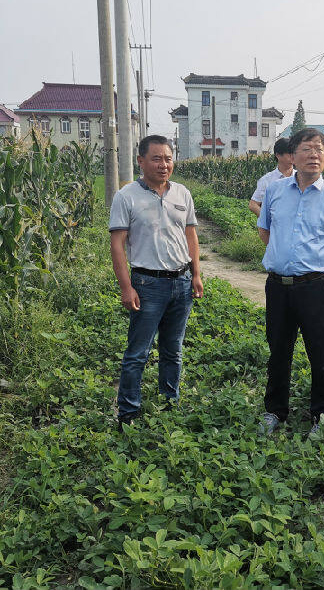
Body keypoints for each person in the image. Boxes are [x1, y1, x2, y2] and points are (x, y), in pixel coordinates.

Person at [256, 128, 324, 437]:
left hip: (316, 288)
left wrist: (315, 268)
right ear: (293, 155)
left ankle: (322, 414)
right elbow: (265, 231)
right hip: (278, 287)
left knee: (320, 353)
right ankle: (275, 410)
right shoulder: (274, 191)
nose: (314, 154)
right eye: (307, 149)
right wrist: (284, 256)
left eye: (320, 150)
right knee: (279, 351)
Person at [109, 135, 204, 428]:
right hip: (147, 285)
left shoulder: (182, 194)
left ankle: (169, 402)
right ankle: (128, 413)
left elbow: (191, 236)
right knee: (138, 352)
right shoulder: (127, 196)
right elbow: (117, 244)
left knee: (172, 350)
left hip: (181, 282)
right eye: (157, 158)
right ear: (141, 161)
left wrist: (196, 274)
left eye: (168, 158)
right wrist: (127, 287)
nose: (164, 165)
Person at [249, 138, 295, 217]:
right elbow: (253, 205)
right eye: (289, 154)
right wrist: (267, 220)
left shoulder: (302, 177)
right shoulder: (267, 180)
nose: (293, 157)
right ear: (278, 155)